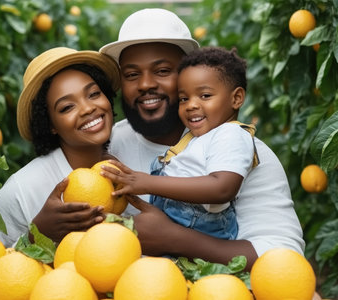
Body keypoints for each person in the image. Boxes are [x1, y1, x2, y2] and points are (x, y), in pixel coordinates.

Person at [99, 8, 305, 269]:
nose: (145, 84)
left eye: (162, 70)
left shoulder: (240, 150)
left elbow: (284, 259)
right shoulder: (108, 143)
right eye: (131, 74)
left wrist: (175, 239)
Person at [102, 46, 259, 242]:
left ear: (236, 98)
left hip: (204, 233)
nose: (191, 105)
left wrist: (147, 183)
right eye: (184, 98)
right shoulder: (196, 139)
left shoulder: (232, 134)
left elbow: (222, 188)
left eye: (205, 96)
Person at [0, 47, 120, 246]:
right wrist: (37, 235)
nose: (88, 108)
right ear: (50, 124)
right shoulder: (20, 192)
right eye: (67, 107)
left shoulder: (127, 157)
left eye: (93, 94)